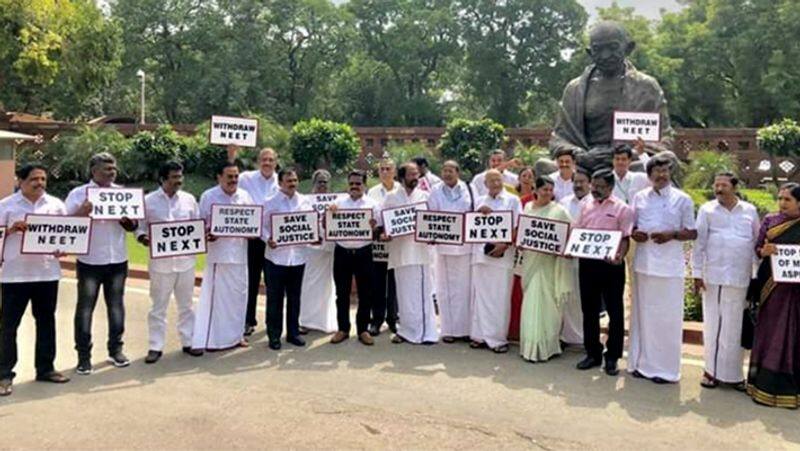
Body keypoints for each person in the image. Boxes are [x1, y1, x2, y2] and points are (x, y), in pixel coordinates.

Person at [548, 20, 674, 174]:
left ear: (628, 48)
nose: (605, 55)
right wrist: (579, 154)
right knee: (545, 166)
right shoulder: (574, 90)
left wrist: (626, 154)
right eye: (597, 50)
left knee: (666, 159)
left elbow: (664, 139)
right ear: (590, 53)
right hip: (585, 163)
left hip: (629, 163)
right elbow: (559, 138)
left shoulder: (646, 87)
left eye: (613, 48)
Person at [0, 164, 70, 396]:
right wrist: (9, 231)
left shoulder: (56, 205)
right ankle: (4, 375)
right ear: (20, 181)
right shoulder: (6, 206)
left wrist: (64, 248)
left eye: (43, 179)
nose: (40, 183)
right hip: (14, 275)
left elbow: (67, 234)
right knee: (9, 326)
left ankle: (46, 368)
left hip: (47, 273)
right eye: (34, 179)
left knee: (46, 322)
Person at [66, 152, 138, 375]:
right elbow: (64, 225)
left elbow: (134, 227)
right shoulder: (79, 194)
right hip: (90, 260)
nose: (112, 172)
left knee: (116, 306)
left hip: (117, 259)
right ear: (94, 171)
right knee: (85, 308)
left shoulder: (122, 194)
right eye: (107, 168)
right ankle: (84, 357)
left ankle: (116, 350)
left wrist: (128, 222)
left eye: (114, 168)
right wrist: (82, 212)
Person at [628, 155, 696, 383]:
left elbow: (692, 232)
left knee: (667, 319)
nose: (661, 175)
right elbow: (632, 225)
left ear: (670, 173)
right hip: (644, 264)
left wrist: (672, 235)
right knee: (644, 316)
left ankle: (666, 370)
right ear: (649, 176)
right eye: (656, 172)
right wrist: (635, 233)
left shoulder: (683, 199)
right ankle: (642, 365)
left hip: (669, 267)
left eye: (665, 171)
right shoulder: (639, 197)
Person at [691, 172, 759, 390]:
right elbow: (699, 244)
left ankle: (735, 376)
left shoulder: (749, 211)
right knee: (713, 326)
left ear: (735, 187)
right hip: (714, 277)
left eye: (723, 185)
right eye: (716, 185)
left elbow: (756, 244)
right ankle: (710, 372)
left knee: (735, 327)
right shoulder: (707, 210)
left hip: (740, 278)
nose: (719, 189)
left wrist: (756, 276)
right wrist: (697, 273)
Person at [136, 161, 202, 364]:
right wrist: (144, 239)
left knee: (187, 305)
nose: (179, 181)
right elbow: (139, 229)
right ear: (163, 179)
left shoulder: (189, 200)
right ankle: (155, 346)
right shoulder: (148, 201)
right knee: (158, 307)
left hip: (186, 263)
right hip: (160, 265)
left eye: (180, 176)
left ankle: (189, 341)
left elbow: (197, 226)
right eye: (174, 177)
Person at [574, 169, 634, 375]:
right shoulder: (585, 205)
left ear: (611, 187)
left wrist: (620, 256)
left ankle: (612, 357)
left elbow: (626, 238)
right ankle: (592, 353)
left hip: (611, 266)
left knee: (615, 312)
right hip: (588, 264)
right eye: (594, 186)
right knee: (589, 310)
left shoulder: (623, 209)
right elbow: (578, 231)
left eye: (600, 187)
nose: (596, 190)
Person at [746, 183, 800, 408]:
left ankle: (790, 389)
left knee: (792, 335)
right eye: (780, 198)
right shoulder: (770, 220)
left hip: (795, 291)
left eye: (787, 200)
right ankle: (763, 386)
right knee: (769, 332)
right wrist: (764, 251)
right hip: (770, 286)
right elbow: (758, 247)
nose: (782, 203)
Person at [191, 161, 253, 353]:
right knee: (217, 301)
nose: (233, 180)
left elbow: (252, 224)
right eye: (229, 177)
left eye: (236, 177)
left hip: (240, 255)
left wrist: (253, 231)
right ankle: (214, 340)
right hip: (219, 256)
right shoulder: (209, 196)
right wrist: (208, 233)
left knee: (238, 297)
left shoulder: (245, 196)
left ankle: (236, 336)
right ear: (219, 177)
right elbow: (199, 226)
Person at [379, 162, 438, 344]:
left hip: (419, 253)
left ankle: (426, 333)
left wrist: (432, 235)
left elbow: (434, 222)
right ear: (402, 177)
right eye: (412, 174)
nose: (415, 177)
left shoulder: (426, 197)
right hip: (399, 253)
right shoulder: (390, 198)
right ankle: (406, 331)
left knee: (422, 294)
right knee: (404, 296)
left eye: (417, 174)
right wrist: (384, 235)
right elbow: (384, 224)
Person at [518, 176, 574, 362]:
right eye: (544, 190)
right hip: (531, 263)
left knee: (549, 305)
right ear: (536, 189)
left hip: (549, 265)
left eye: (551, 190)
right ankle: (531, 346)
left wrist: (564, 249)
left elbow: (570, 233)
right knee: (531, 302)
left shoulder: (559, 211)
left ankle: (548, 346)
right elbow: (524, 232)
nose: (548, 193)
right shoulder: (527, 208)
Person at [469, 170, 521, 353]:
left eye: (498, 179)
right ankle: (479, 336)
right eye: (491, 180)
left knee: (499, 298)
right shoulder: (479, 201)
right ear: (485, 183)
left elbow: (517, 226)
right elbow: (471, 226)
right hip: (480, 255)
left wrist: (504, 245)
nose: (495, 183)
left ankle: (497, 339)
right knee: (480, 296)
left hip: (502, 256)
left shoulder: (512, 200)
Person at [262, 168, 312, 350]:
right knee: (274, 299)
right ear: (280, 183)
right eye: (289, 180)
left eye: (295, 180)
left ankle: (293, 333)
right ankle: (274, 336)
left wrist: (313, 236)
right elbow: (261, 226)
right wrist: (268, 238)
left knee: (295, 297)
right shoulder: (270, 202)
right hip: (276, 258)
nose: (293, 183)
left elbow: (310, 225)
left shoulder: (305, 201)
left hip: (298, 257)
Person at [329, 170, 380, 346]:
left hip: (363, 252)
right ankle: (343, 329)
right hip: (342, 252)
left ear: (364, 185)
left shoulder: (373, 205)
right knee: (341, 293)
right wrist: (328, 214)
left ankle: (363, 330)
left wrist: (374, 228)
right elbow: (326, 225)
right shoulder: (337, 203)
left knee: (365, 293)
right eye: (351, 183)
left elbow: (378, 232)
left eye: (358, 183)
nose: (354, 186)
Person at [428, 160, 474, 343]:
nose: (447, 174)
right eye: (444, 171)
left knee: (464, 289)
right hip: (443, 248)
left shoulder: (469, 189)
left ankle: (465, 329)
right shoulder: (435, 190)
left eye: (451, 171)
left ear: (458, 172)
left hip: (464, 248)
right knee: (444, 289)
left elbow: (475, 212)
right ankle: (448, 330)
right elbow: (430, 215)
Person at [238, 148, 279, 336]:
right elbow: (228, 179)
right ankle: (248, 319)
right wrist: (231, 155)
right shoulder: (246, 178)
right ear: (257, 161)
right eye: (264, 159)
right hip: (253, 239)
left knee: (273, 284)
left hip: (274, 240)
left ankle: (273, 323)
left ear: (276, 162)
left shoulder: (281, 181)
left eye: (271, 160)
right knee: (251, 281)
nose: (267, 163)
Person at [298, 169, 337, 335]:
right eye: (320, 181)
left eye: (325, 181)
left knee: (327, 286)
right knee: (308, 285)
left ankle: (324, 322)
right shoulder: (305, 201)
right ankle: (305, 321)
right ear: (314, 183)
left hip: (329, 249)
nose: (323, 184)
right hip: (310, 250)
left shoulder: (336, 201)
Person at [558, 167, 592, 348]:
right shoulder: (563, 202)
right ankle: (567, 336)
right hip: (565, 256)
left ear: (590, 183)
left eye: (582, 182)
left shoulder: (595, 203)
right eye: (575, 182)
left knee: (584, 298)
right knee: (567, 295)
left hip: (586, 258)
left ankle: (585, 338)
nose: (578, 185)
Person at [367, 158, 399, 335]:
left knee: (395, 283)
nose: (385, 172)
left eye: (388, 169)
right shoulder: (372, 192)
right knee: (377, 283)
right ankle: (377, 319)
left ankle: (393, 319)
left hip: (396, 244)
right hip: (378, 245)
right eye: (382, 169)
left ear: (394, 171)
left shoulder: (401, 191)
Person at [508, 166, 536, 342]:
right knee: (516, 289)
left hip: (535, 252)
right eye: (524, 176)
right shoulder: (514, 200)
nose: (526, 179)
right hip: (516, 251)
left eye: (530, 176)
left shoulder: (539, 200)